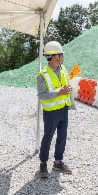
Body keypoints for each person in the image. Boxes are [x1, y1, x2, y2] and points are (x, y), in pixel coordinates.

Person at [37, 41, 76, 178]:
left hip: (63, 110)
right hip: (51, 112)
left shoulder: (63, 69)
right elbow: (41, 96)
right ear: (54, 56)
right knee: (48, 137)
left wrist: (67, 92)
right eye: (61, 54)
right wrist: (59, 92)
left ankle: (58, 162)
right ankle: (43, 164)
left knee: (62, 136)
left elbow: (64, 86)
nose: (63, 57)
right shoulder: (42, 75)